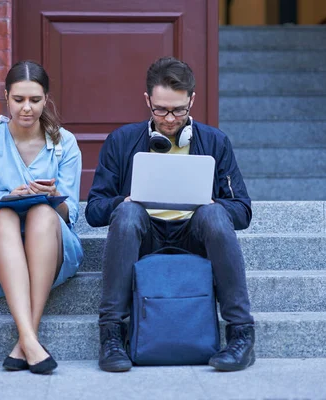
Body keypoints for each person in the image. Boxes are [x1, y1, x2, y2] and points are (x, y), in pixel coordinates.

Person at [85, 56, 255, 372]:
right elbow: (94, 211)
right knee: (128, 213)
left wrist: (211, 203)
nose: (169, 118)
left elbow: (242, 211)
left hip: (194, 237)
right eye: (160, 109)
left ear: (192, 100)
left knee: (215, 215)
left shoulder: (215, 142)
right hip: (143, 237)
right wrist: (126, 200)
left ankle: (241, 335)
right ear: (147, 100)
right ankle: (110, 335)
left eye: (179, 109)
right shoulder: (121, 140)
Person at [0, 60, 83, 375]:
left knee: (43, 212)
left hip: (50, 243)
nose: (27, 108)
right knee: (3, 218)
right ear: (6, 97)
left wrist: (54, 196)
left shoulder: (64, 143)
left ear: (46, 99)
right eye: (19, 100)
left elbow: (71, 216)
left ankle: (24, 342)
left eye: (35, 100)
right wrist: (5, 200)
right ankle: (31, 340)